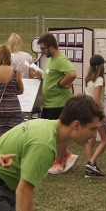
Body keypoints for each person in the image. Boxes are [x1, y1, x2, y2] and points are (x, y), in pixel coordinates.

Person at [37, 33, 78, 174]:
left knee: (58, 134)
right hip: (50, 103)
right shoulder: (52, 59)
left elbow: (72, 74)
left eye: (43, 49)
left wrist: (61, 83)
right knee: (50, 134)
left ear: (51, 47)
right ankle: (69, 156)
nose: (42, 51)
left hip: (59, 103)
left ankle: (59, 163)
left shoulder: (61, 59)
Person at [0, 44, 24, 142]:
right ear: (8, 56)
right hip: (13, 108)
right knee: (13, 138)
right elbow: (21, 90)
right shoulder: (15, 72)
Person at [83, 54, 106, 177]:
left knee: (90, 139)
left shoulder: (88, 79)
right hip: (96, 113)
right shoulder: (99, 80)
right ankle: (92, 162)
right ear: (100, 66)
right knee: (105, 139)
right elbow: (97, 99)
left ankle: (90, 169)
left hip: (87, 112)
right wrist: (103, 115)